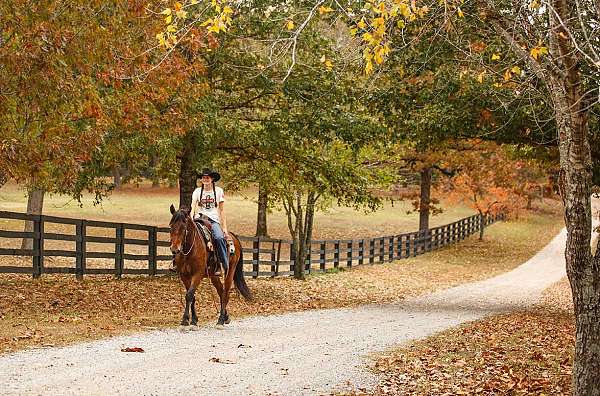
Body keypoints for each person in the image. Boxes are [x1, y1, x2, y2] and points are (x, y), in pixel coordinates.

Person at [190, 168, 230, 276]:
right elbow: (193, 206)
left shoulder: (219, 191)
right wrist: (191, 218)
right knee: (185, 234)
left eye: (207, 177)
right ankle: (178, 262)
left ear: (212, 179)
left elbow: (221, 210)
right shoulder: (197, 191)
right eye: (203, 177)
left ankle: (223, 265)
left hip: (213, 220)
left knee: (219, 238)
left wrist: (224, 228)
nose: (205, 179)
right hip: (200, 219)